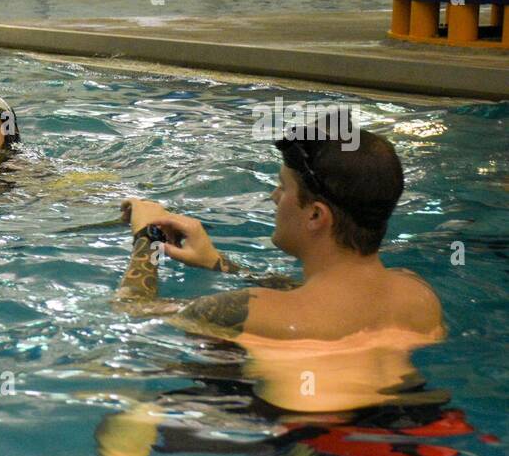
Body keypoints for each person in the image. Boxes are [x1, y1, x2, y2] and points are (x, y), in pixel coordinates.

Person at [116, 124, 443, 342]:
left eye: (283, 187)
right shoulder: (417, 295)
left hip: (308, 440)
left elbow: (129, 311)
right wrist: (219, 263)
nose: (274, 197)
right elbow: (324, 297)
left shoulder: (244, 311)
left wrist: (147, 237)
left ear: (315, 215)